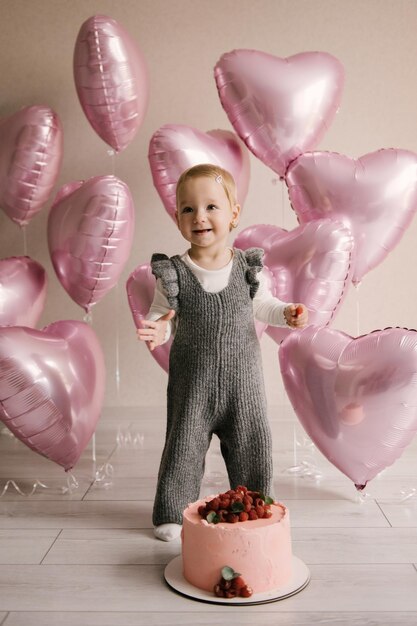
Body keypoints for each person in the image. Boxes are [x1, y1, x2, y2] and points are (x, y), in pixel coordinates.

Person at [137, 163, 308, 541]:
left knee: (252, 443)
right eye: (188, 209)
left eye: (211, 207)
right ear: (177, 217)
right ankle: (171, 511)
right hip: (192, 384)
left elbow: (263, 305)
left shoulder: (248, 269)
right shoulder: (174, 272)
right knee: (183, 445)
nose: (199, 217)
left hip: (242, 384)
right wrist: (158, 328)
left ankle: (256, 505)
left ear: (233, 213)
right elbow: (161, 313)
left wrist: (286, 313)